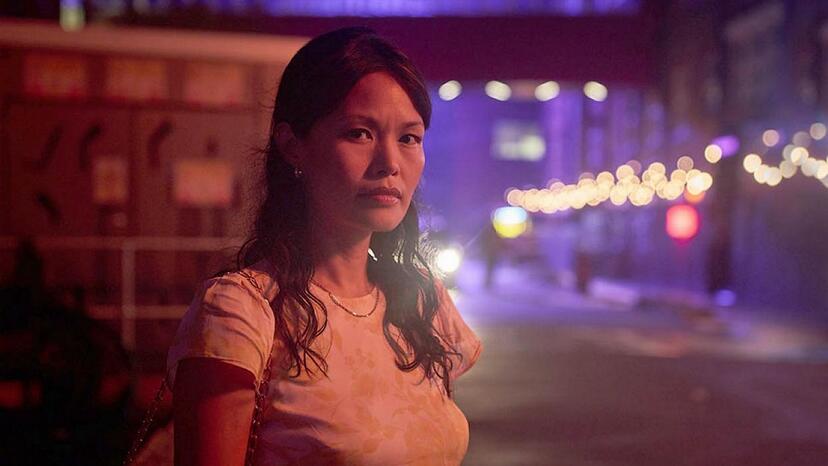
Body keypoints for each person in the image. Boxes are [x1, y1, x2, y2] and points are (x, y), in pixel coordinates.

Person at [166, 27, 483, 465]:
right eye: (359, 133)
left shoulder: (422, 302)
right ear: (293, 146)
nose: (390, 163)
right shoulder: (241, 311)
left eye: (408, 138)